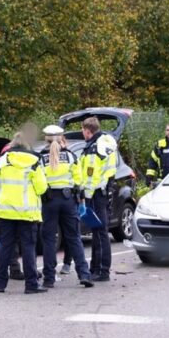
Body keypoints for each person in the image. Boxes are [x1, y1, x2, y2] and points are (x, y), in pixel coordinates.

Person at [0, 131, 48, 294]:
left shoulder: (1, 161)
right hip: (27, 213)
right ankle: (31, 285)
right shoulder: (34, 161)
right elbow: (41, 187)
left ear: (12, 144)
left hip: (5, 212)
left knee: (5, 247)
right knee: (28, 248)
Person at [40, 125, 93, 288]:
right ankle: (84, 275)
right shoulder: (70, 156)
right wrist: (81, 198)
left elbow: (38, 182)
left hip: (48, 201)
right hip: (68, 199)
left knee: (49, 240)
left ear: (46, 139)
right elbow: (79, 180)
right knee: (74, 237)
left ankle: (49, 278)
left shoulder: (40, 158)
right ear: (62, 137)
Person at [80, 117, 117, 282]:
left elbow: (90, 175)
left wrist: (84, 193)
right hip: (102, 191)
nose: (83, 134)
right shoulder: (106, 143)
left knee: (100, 232)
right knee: (97, 231)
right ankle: (96, 268)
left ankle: (102, 270)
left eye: (83, 131)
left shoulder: (94, 149)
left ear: (88, 131)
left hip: (95, 193)